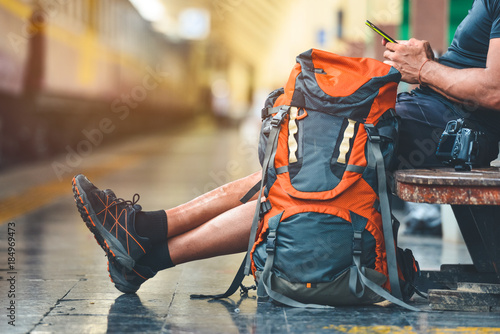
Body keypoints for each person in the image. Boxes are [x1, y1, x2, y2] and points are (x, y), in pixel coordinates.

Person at [73, 0, 500, 293]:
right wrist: (431, 61)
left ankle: (146, 241)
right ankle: (146, 243)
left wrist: (424, 69)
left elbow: (494, 90)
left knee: (300, 166)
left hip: (450, 131)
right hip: (433, 113)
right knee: (294, 163)